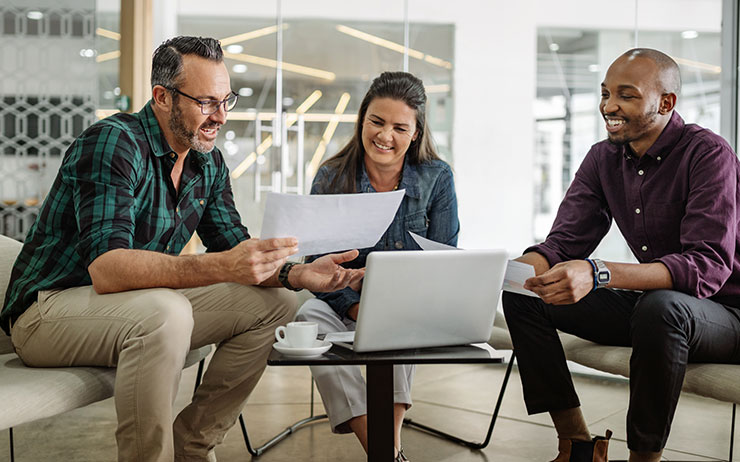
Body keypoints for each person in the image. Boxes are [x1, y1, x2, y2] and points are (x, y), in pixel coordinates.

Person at [0, 36, 363, 462]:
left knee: (278, 303)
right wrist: (221, 266)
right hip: (47, 314)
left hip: (134, 308)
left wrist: (296, 274)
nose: (221, 116)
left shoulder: (206, 162)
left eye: (226, 100)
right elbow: (108, 269)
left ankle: (192, 446)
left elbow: (233, 245)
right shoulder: (113, 143)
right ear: (162, 97)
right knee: (166, 312)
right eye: (206, 102)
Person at [502, 47, 740, 462]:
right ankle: (577, 445)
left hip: (725, 315)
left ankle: (643, 458)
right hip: (656, 309)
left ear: (666, 103)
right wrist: (504, 274)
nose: (608, 106)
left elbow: (707, 267)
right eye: (605, 93)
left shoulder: (708, 154)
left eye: (626, 95)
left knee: (661, 308)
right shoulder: (603, 158)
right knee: (525, 293)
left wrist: (599, 272)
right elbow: (562, 245)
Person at [295, 71, 460, 462]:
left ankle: (389, 448)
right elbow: (315, 265)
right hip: (345, 303)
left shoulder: (437, 178)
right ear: (362, 120)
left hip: (406, 306)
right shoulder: (332, 176)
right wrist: (355, 306)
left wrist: (388, 304)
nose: (386, 136)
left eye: (400, 127)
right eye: (377, 122)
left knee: (397, 321)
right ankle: (385, 452)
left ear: (416, 133)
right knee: (306, 319)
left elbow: (444, 258)